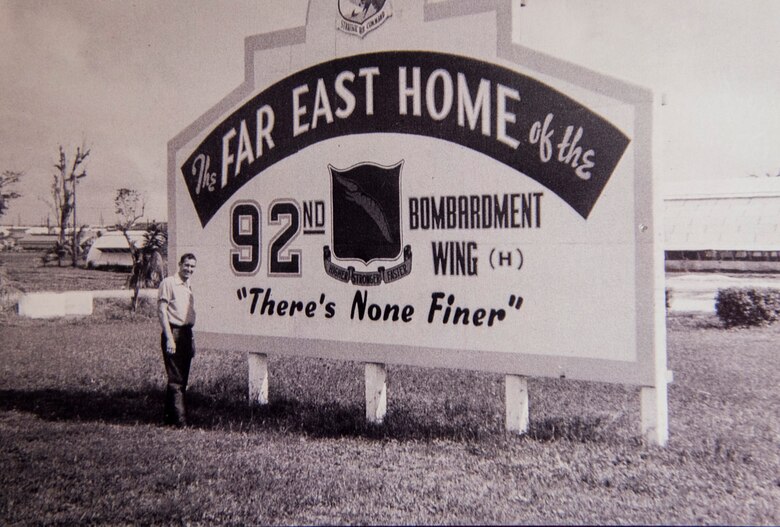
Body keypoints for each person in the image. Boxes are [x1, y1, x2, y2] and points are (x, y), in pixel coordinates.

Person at [158, 253, 197, 427]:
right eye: (187, 265)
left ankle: (168, 419)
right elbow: (162, 311)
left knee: (181, 380)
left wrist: (192, 339)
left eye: (192, 267)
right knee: (176, 380)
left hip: (187, 333)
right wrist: (169, 338)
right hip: (174, 332)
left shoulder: (188, 285)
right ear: (180, 264)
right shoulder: (169, 283)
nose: (189, 269)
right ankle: (181, 423)